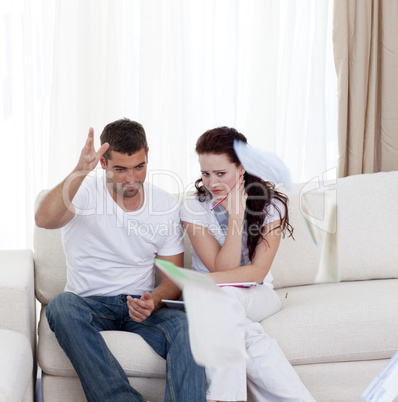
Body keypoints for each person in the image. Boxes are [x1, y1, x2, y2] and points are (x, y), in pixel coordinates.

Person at [35, 118, 206, 402]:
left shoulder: (163, 205)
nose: (131, 179)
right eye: (120, 170)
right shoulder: (83, 193)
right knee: (61, 307)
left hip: (138, 305)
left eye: (139, 167)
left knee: (190, 327)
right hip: (88, 304)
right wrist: (79, 171)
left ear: (147, 155)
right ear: (103, 164)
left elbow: (173, 278)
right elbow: (43, 219)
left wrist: (155, 300)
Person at [180, 127, 315, 402]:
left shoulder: (271, 204)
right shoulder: (193, 207)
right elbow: (221, 269)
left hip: (257, 294)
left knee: (223, 297)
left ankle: (222, 397)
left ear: (241, 168)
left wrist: (204, 282)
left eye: (221, 173)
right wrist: (235, 218)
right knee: (248, 336)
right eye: (205, 173)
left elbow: (257, 272)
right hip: (215, 299)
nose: (212, 182)